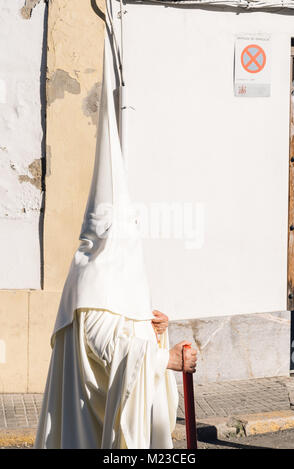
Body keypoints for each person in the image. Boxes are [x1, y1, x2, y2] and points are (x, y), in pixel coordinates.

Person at [34, 29, 197, 449]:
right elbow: (117, 357)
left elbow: (118, 353)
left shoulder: (87, 286)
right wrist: (168, 359)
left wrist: (154, 331)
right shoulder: (97, 297)